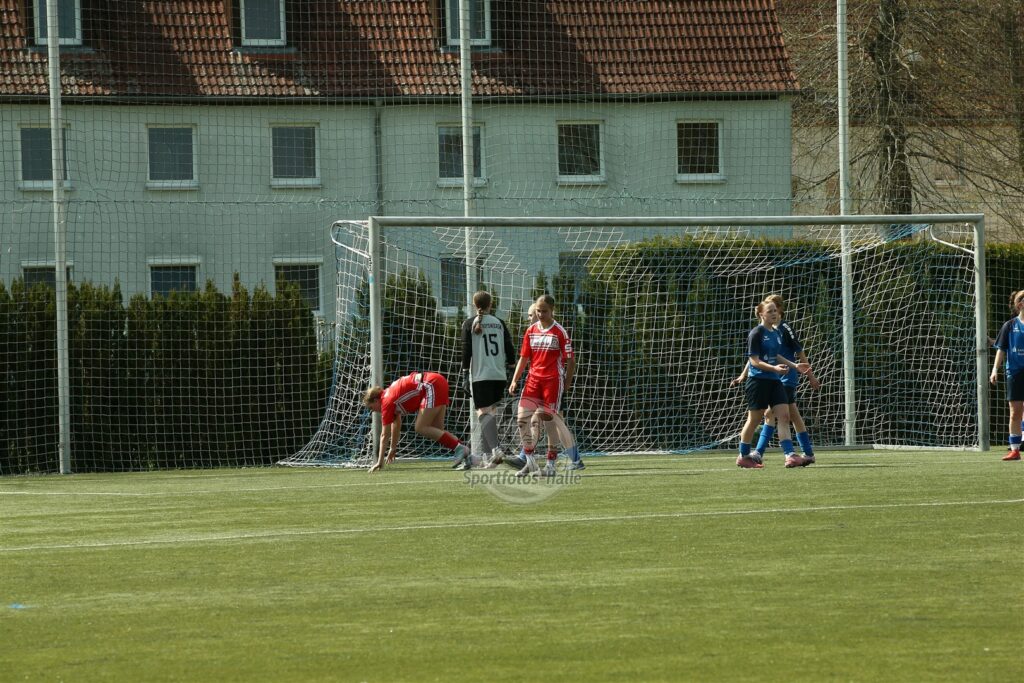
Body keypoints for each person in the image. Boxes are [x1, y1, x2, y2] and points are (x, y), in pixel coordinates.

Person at [730, 294, 820, 465]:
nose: (774, 313)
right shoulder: (756, 333)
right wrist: (746, 374)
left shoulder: (778, 331)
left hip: (778, 380)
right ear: (761, 314)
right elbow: (754, 359)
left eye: (775, 310)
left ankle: (789, 454)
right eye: (770, 311)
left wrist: (795, 366)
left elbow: (778, 354)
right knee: (758, 418)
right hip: (760, 380)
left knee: (783, 416)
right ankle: (745, 455)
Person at [508, 294, 579, 476]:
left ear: (552, 310)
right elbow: (524, 357)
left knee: (549, 423)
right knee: (522, 420)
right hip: (533, 381)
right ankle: (530, 462)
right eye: (538, 311)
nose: (540, 314)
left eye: (544, 311)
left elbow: (571, 360)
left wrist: (567, 383)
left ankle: (550, 465)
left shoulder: (559, 332)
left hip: (552, 382)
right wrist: (515, 379)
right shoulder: (531, 330)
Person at [363, 372, 469, 473]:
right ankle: (468, 456)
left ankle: (459, 448)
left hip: (431, 384)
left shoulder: (386, 402)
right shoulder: (388, 394)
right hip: (437, 381)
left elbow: (384, 435)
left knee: (420, 427)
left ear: (376, 400)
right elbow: (396, 424)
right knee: (437, 430)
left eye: (371, 408)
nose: (373, 411)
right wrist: (392, 448)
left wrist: (379, 462)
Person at [460, 290, 516, 469]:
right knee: (489, 414)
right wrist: (512, 368)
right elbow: (509, 346)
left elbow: (466, 351)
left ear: (474, 304)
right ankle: (488, 457)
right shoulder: (499, 323)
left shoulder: (469, 323)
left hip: (481, 375)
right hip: (499, 375)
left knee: (483, 414)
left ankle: (495, 448)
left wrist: (464, 375)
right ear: (491, 304)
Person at [990, 289, 1024, 461]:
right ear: (1021, 304)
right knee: (1015, 412)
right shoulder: (1009, 326)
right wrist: (994, 370)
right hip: (1015, 373)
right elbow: (1001, 349)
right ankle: (1015, 451)